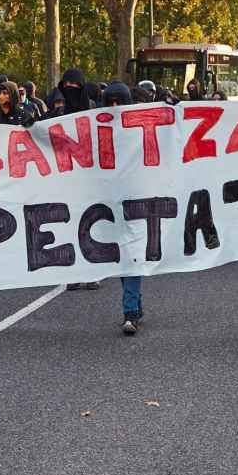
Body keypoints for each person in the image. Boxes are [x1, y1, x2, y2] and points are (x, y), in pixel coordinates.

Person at [101, 82, 145, 333]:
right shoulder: (94, 130)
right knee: (122, 258)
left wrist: (174, 113)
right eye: (110, 103)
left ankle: (129, 312)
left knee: (132, 256)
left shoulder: (138, 129)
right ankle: (135, 304)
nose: (115, 108)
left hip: (137, 202)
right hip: (106, 204)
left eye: (119, 102)